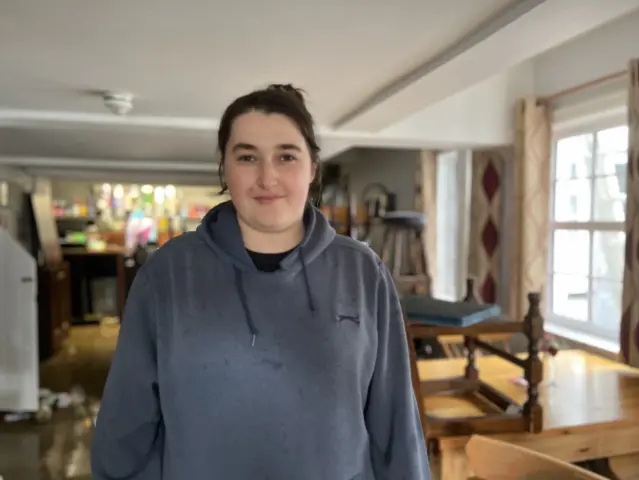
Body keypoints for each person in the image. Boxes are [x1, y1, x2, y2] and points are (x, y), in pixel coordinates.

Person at [91, 84, 430, 479]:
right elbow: (124, 429)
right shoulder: (166, 274)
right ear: (224, 168)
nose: (267, 177)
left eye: (286, 156)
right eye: (247, 157)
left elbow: (396, 426)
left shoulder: (363, 273)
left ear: (312, 167)